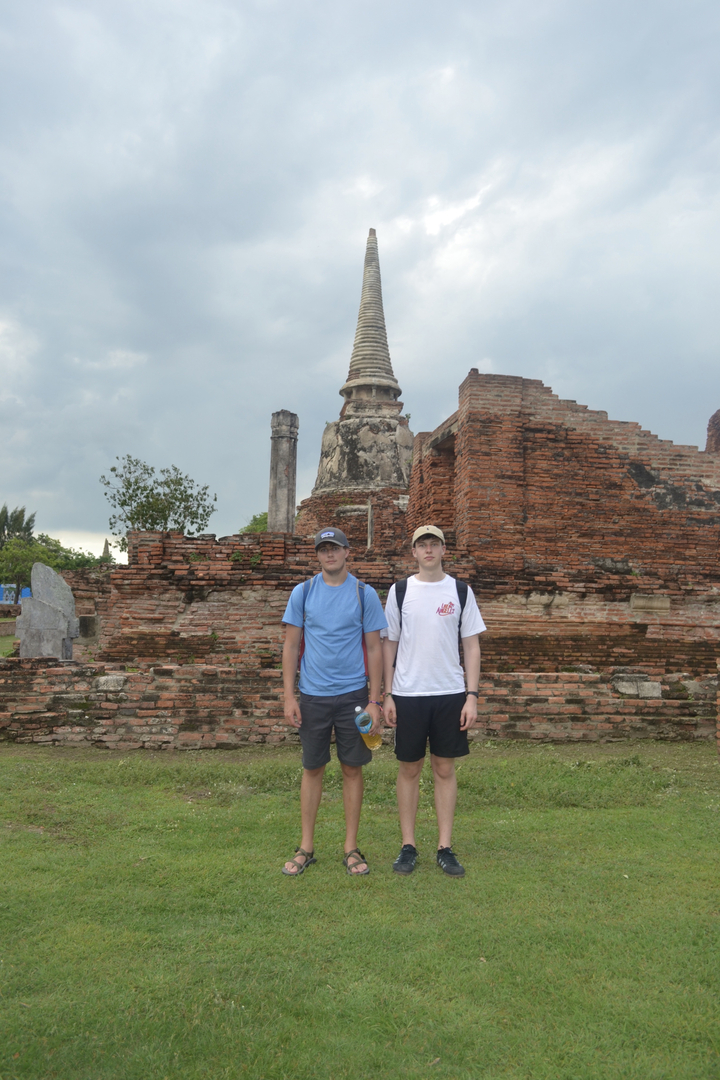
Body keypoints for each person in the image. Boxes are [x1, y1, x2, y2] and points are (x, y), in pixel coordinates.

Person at [280, 527, 386, 876]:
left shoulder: (363, 593)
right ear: (317, 555)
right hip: (313, 695)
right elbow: (291, 646)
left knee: (352, 768)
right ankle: (306, 846)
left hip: (354, 696)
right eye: (323, 549)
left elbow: (374, 648)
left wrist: (375, 699)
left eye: (335, 548)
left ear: (346, 552)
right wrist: (288, 695)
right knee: (312, 768)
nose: (330, 555)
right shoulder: (304, 592)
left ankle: (351, 847)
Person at [382, 525, 486, 877]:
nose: (428, 550)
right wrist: (388, 693)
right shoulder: (400, 592)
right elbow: (389, 646)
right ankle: (407, 846)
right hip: (409, 694)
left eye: (434, 544)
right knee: (409, 769)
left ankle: (445, 846)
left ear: (444, 550)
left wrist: (471, 697)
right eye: (421, 545)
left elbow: (471, 647)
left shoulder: (459, 590)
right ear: (413, 552)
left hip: (450, 694)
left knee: (444, 769)